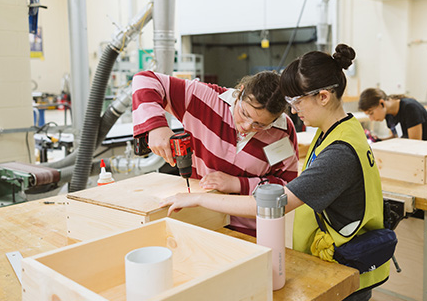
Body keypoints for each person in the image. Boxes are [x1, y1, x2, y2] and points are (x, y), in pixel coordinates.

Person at [159, 44, 388, 301]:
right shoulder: (338, 130)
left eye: (296, 101)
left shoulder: (339, 152)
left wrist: (199, 198)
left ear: (323, 97)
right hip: (337, 259)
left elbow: (273, 205)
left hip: (348, 269)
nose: (292, 110)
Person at [132, 70, 299, 236]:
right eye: (244, 114)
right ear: (239, 92)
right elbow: (145, 79)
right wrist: (156, 126)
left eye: (260, 125)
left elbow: (285, 187)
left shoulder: (281, 132)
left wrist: (237, 184)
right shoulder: (203, 98)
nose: (247, 127)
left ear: (276, 119)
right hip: (201, 222)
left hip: (250, 232)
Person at [358, 88, 427, 142]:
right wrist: (379, 141)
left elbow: (415, 144)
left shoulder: (410, 108)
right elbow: (397, 137)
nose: (371, 119)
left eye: (371, 113)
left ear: (381, 103)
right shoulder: (388, 114)